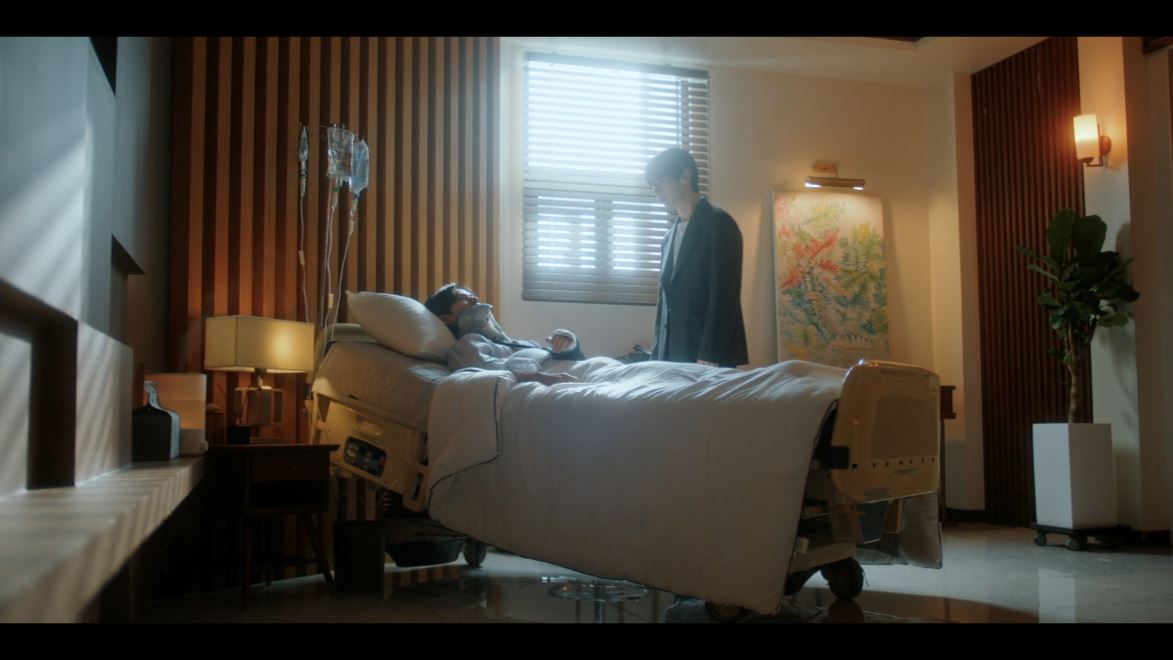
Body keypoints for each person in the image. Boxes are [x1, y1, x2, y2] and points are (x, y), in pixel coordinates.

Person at [645, 148, 748, 367]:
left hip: (708, 355)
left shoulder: (720, 224)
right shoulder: (668, 238)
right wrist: (657, 355)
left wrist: (710, 354)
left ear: (685, 177)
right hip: (671, 354)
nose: (656, 191)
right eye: (652, 186)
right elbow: (664, 304)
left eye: (660, 183)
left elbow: (724, 296)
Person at [423, 282, 583, 385]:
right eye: (463, 299)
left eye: (473, 296)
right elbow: (491, 371)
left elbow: (574, 360)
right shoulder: (467, 345)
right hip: (557, 381)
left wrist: (569, 342)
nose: (475, 299)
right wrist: (541, 377)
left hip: (576, 372)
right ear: (446, 319)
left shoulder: (519, 344)